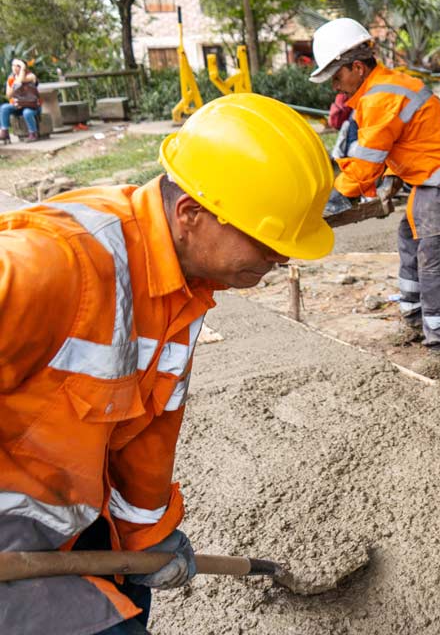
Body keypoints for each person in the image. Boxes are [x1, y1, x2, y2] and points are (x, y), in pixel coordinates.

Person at [0, 93, 335, 634]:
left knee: (134, 592)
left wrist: (144, 534)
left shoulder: (185, 285)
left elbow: (148, 426)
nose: (282, 258)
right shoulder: (55, 265)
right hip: (12, 539)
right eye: (269, 240)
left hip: (73, 509)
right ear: (191, 215)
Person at [311, 18, 440, 368]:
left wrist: (336, 199)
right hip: (436, 178)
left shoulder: (380, 98)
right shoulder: (380, 90)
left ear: (357, 67)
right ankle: (415, 314)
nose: (334, 86)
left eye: (336, 76)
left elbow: (364, 165)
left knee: (433, 257)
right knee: (410, 236)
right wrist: (389, 176)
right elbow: (404, 141)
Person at [3, 59, 42, 143]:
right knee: (4, 108)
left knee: (27, 112)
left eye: (17, 65)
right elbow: (8, 95)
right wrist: (10, 84)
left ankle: (33, 133)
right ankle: (4, 132)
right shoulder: (11, 78)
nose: (14, 68)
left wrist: (23, 67)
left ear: (23, 67)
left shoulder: (31, 76)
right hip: (18, 106)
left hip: (32, 106)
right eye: (13, 65)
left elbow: (20, 81)